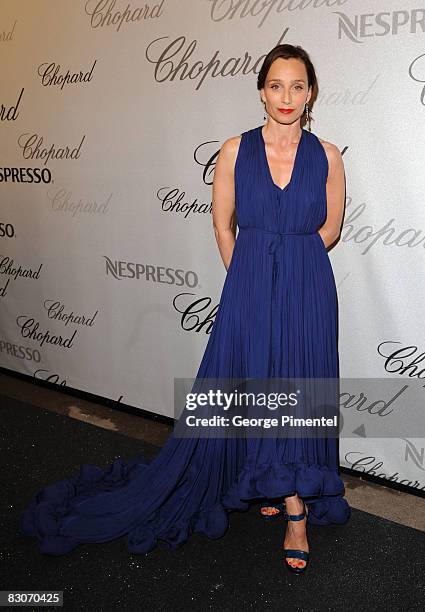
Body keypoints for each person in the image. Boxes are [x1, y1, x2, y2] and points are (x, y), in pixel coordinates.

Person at [20, 44, 350, 574]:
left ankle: (294, 507)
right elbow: (223, 224)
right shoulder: (235, 151)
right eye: (275, 85)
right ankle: (276, 485)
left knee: (299, 385)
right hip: (249, 285)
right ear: (261, 90)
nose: (286, 97)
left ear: (311, 92)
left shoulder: (329, 155)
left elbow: (330, 228)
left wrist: (296, 261)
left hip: (309, 286)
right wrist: (244, 276)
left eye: (297, 86)